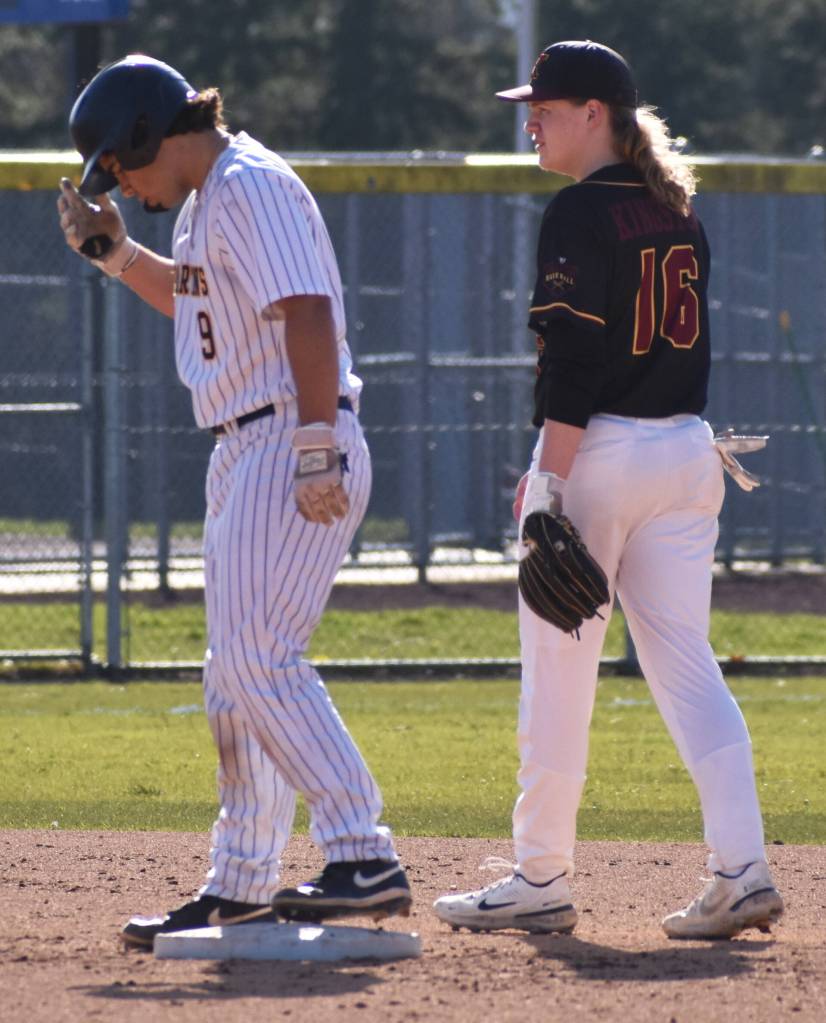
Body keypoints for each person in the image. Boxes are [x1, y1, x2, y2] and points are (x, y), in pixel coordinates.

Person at [57, 54, 411, 947]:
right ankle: (244, 879)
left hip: (291, 427)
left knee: (257, 658)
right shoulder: (212, 198)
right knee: (235, 673)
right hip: (248, 440)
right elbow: (200, 304)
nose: (123, 185)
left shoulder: (250, 180)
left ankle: (362, 852)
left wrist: (317, 443)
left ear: (146, 133)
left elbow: (308, 312)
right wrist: (114, 253)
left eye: (120, 164)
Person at [433, 40, 783, 940]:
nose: (531, 119)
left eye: (545, 105)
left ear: (597, 113)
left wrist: (549, 476)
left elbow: (575, 361)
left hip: (603, 456)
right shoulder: (677, 207)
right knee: (688, 665)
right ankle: (742, 869)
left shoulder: (579, 212)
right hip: (686, 453)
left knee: (558, 675)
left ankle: (540, 875)